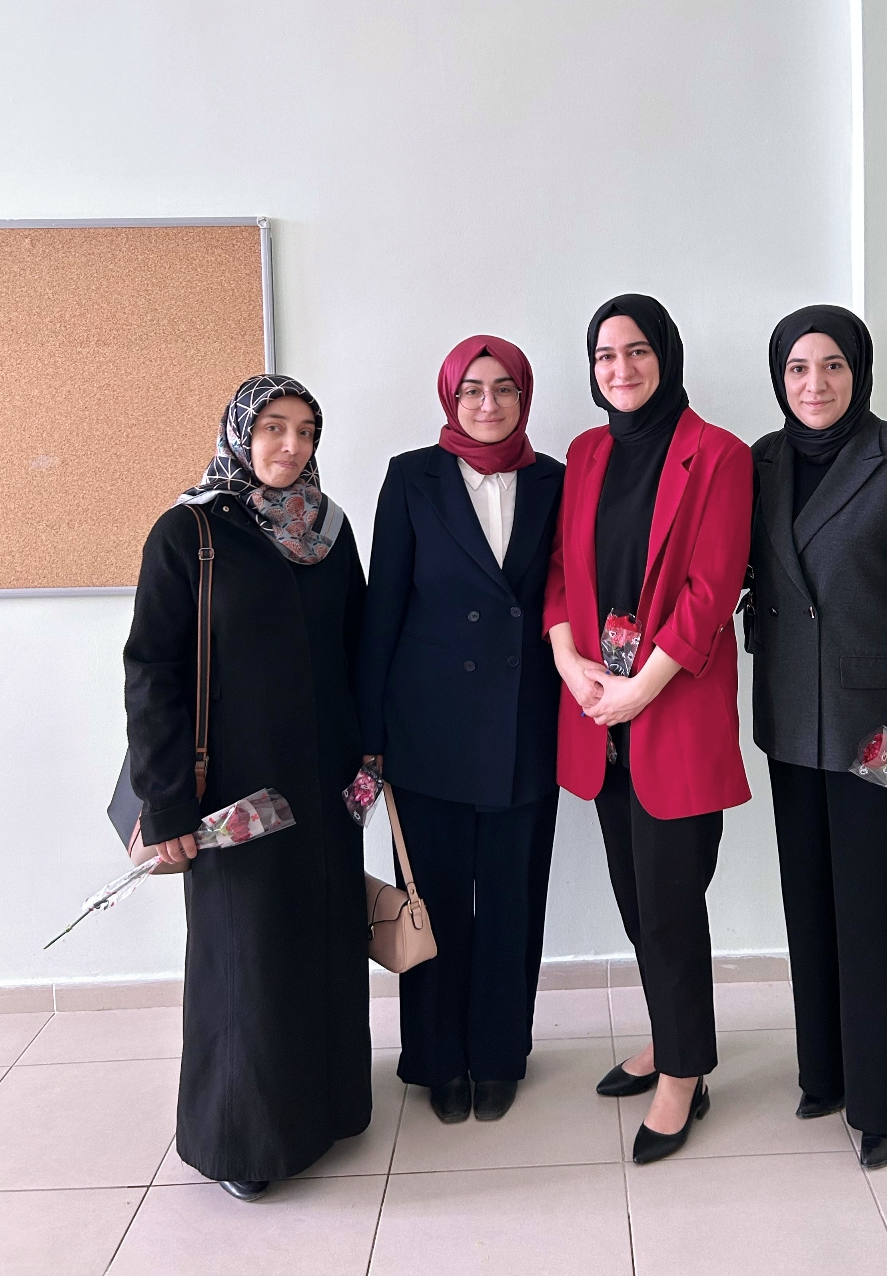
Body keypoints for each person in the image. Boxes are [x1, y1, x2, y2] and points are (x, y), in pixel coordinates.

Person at [123, 375, 371, 1202]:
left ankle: (329, 1109)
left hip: (325, 781)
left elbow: (357, 649)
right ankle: (243, 1140)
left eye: (305, 431)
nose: (289, 446)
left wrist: (371, 758)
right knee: (246, 957)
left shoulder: (329, 531)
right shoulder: (189, 531)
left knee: (323, 941)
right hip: (234, 790)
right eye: (272, 427)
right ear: (240, 432)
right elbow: (152, 672)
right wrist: (165, 801)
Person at [745, 305, 887, 1169]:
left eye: (831, 365)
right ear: (779, 377)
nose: (814, 384)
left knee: (885, 912)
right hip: (790, 717)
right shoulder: (760, 462)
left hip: (882, 728)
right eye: (797, 368)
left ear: (858, 371)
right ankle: (827, 1071)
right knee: (812, 904)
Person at [544, 294, 753, 1164]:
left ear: (665, 355)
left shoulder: (720, 454)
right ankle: (673, 1037)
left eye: (635, 351)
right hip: (600, 713)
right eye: (604, 355)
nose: (620, 368)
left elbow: (711, 591)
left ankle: (684, 1073)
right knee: (637, 900)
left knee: (669, 903)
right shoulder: (585, 453)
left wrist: (641, 688)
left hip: (672, 709)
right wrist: (571, 664)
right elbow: (561, 571)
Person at [355, 335, 563, 1124]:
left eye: (504, 388)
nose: (487, 403)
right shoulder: (412, 476)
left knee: (512, 902)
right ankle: (437, 1061)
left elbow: (567, 596)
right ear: (450, 397)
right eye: (471, 389)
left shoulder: (554, 481)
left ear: (523, 396)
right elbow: (382, 608)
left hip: (525, 724)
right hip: (426, 728)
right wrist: (370, 732)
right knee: (432, 898)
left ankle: (500, 1054)